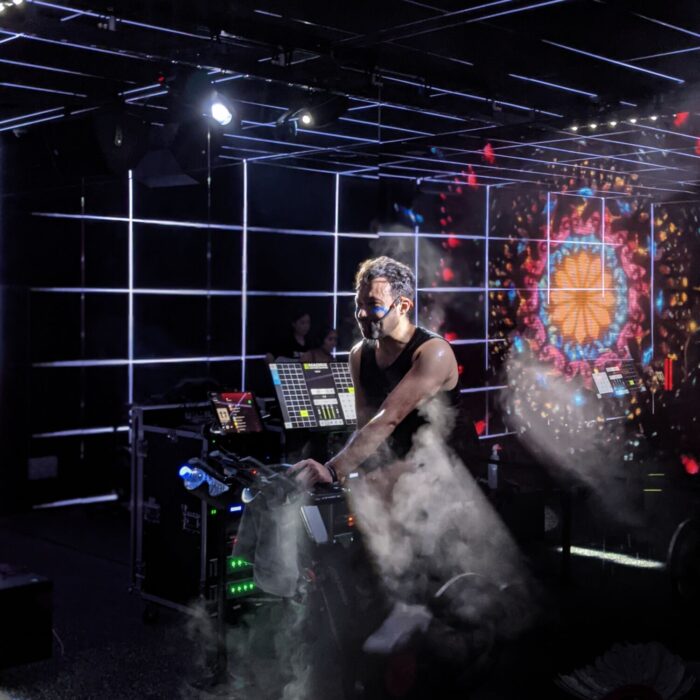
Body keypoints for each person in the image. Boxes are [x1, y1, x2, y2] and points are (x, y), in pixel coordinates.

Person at [292, 255, 465, 486]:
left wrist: (333, 470)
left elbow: (388, 418)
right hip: (402, 472)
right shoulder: (358, 354)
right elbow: (365, 425)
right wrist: (351, 476)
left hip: (451, 474)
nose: (362, 314)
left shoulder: (434, 352)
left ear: (403, 306)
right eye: (359, 305)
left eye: (372, 304)